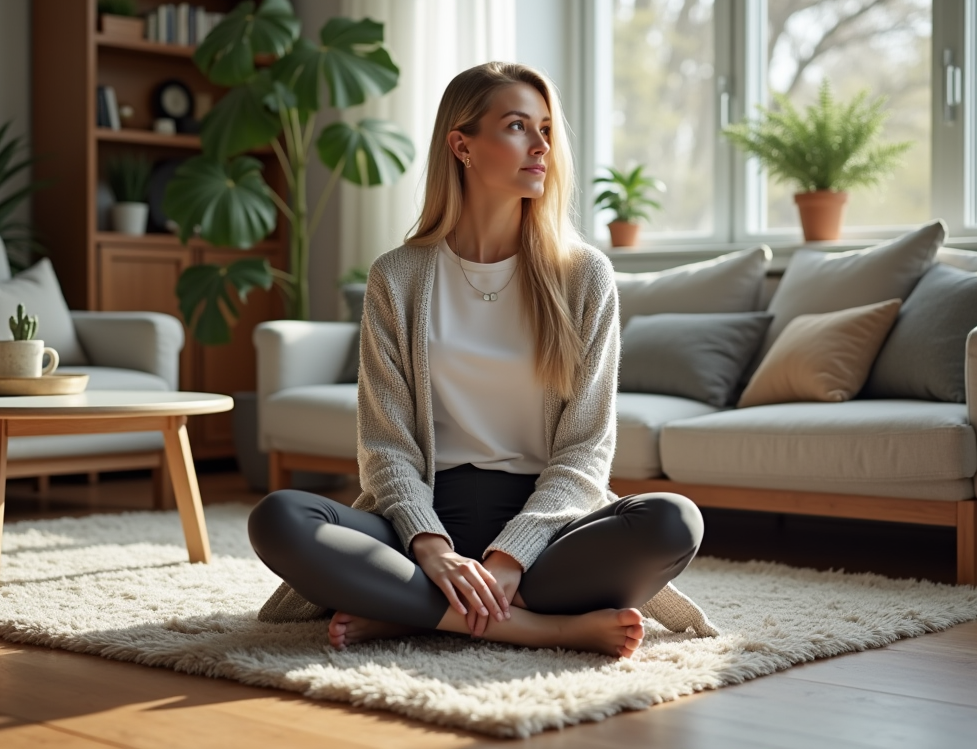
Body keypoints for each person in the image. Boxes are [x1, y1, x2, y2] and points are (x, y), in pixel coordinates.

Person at [248, 61, 718, 658]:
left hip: (546, 527)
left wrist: (510, 555)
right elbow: (386, 447)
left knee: (674, 521)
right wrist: (431, 548)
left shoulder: (584, 276)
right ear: (461, 145)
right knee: (280, 518)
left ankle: (409, 610)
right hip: (421, 520)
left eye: (546, 129)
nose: (541, 146)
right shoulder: (398, 276)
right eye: (518, 126)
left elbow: (586, 450)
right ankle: (541, 627)